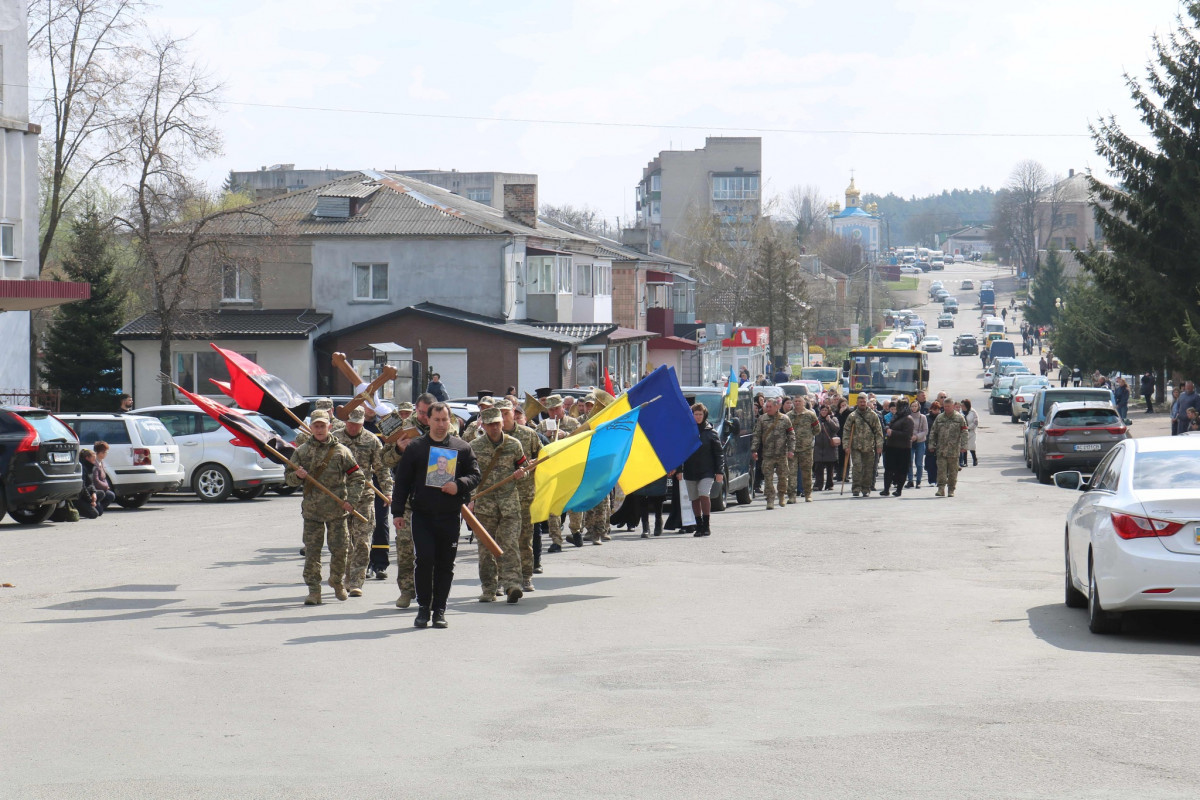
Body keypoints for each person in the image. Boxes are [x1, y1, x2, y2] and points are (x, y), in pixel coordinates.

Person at [391, 402, 480, 628]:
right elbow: (402, 482)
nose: (441, 425)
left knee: (445, 564)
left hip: (449, 515)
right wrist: (398, 512)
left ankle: (439, 609)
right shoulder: (416, 448)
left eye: (445, 420)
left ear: (451, 421)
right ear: (427, 420)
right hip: (422, 515)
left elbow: (475, 475)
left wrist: (458, 485)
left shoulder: (461, 447)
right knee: (424, 560)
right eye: (436, 420)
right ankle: (423, 608)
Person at [285, 410, 365, 606]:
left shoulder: (341, 451)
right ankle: (314, 590)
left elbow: (357, 477)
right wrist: (298, 476)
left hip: (338, 511)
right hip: (313, 512)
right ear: (311, 428)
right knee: (313, 552)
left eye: (323, 425)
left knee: (341, 550)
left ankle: (337, 581)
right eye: (316, 426)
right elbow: (288, 479)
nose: (319, 429)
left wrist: (352, 501)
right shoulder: (302, 451)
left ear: (330, 427)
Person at [468, 407, 529, 604]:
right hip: (485, 506)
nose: (494, 427)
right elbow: (468, 476)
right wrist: (470, 500)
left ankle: (512, 585)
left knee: (510, 545)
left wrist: (521, 473)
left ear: (502, 423)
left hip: (509, 503)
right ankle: (489, 588)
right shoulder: (474, 447)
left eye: (497, 423)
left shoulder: (514, 445)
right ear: (483, 426)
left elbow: (524, 467)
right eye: (490, 424)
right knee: (486, 549)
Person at [334, 407, 392, 597]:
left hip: (364, 496)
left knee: (362, 540)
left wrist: (388, 491)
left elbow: (382, 469)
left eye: (356, 424)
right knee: (343, 541)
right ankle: (344, 577)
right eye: (350, 423)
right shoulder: (334, 439)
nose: (352, 427)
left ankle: (356, 581)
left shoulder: (371, 440)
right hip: (340, 497)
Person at [497, 399, 541, 591]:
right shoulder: (490, 436)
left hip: (524, 495)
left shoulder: (528, 434)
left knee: (524, 539)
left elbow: (542, 456)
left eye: (506, 413)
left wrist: (535, 463)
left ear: (514, 412)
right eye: (499, 413)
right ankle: (502, 579)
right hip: (499, 498)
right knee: (501, 540)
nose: (503, 417)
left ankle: (526, 576)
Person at [536, 395, 581, 551]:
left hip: (570, 468)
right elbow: (536, 446)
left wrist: (566, 436)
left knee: (574, 504)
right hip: (552, 470)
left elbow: (581, 442)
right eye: (551, 409)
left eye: (557, 408)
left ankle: (576, 531)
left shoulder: (573, 422)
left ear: (563, 407)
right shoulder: (542, 425)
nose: (554, 412)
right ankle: (556, 541)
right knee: (553, 507)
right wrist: (546, 436)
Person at [678, 402, 724, 537]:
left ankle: (706, 524)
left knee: (704, 494)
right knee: (694, 498)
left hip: (707, 471)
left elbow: (719, 453)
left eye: (700, 414)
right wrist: (679, 470)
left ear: (704, 415)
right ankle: (698, 525)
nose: (698, 417)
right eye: (695, 414)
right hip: (690, 470)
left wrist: (719, 471)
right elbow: (681, 452)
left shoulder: (711, 432)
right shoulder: (686, 432)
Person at [751, 396, 795, 510]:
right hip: (768, 454)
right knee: (768, 478)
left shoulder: (785, 419)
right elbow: (757, 435)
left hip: (781, 454)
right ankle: (770, 499)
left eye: (770, 406)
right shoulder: (762, 419)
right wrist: (754, 450)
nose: (768, 408)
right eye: (767, 406)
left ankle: (781, 495)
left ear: (777, 407)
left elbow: (791, 435)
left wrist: (791, 450)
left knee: (783, 477)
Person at [843, 395, 884, 498]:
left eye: (864, 401)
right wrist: (846, 445)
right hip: (856, 446)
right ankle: (856, 488)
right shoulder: (852, 416)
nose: (862, 403)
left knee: (868, 469)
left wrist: (879, 445)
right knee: (857, 467)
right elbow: (847, 431)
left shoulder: (873, 415)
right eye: (860, 401)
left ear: (866, 402)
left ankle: (866, 488)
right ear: (857, 402)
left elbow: (878, 431)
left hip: (869, 446)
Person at [928, 398, 968, 498]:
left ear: (953, 406)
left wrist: (964, 446)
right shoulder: (939, 418)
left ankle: (951, 489)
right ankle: (941, 489)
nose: (946, 408)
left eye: (948, 406)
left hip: (953, 450)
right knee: (941, 470)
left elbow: (964, 432)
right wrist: (931, 444)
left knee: (953, 471)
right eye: (945, 406)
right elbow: (933, 432)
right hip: (941, 449)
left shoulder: (959, 418)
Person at [881, 398, 915, 497]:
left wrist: (893, 432)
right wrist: (887, 428)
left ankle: (899, 490)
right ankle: (886, 489)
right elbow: (890, 425)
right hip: (892, 446)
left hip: (903, 448)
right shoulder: (896, 416)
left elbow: (908, 435)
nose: (897, 409)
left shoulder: (908, 419)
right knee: (889, 469)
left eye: (899, 407)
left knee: (901, 470)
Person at [789, 396, 819, 503]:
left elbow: (817, 429)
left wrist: (808, 438)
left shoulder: (810, 415)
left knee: (807, 472)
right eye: (795, 401)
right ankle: (792, 496)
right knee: (792, 473)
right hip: (792, 449)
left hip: (806, 449)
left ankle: (808, 494)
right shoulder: (788, 416)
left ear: (804, 403)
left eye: (799, 401)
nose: (797, 403)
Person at [812, 405, 841, 491]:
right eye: (822, 410)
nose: (824, 412)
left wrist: (829, 421)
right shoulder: (817, 419)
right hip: (819, 447)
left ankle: (829, 484)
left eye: (825, 410)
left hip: (830, 447)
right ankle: (818, 484)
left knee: (830, 468)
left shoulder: (833, 419)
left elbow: (836, 429)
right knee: (818, 468)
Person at [76, 448, 103, 519]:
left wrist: (94, 493)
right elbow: (82, 487)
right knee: (94, 514)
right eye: (93, 458)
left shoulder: (90, 466)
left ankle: (92, 506)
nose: (95, 460)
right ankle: (79, 509)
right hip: (80, 496)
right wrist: (90, 500)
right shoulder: (82, 468)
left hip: (88, 493)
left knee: (102, 494)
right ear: (87, 458)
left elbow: (91, 483)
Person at [907, 402, 928, 488]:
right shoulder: (908, 417)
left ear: (918, 407)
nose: (914, 408)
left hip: (920, 442)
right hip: (910, 442)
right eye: (912, 406)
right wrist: (910, 437)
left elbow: (925, 430)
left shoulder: (923, 417)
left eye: (915, 406)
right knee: (909, 462)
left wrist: (917, 436)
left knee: (919, 463)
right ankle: (910, 480)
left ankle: (918, 481)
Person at [91, 442, 117, 513]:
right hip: (95, 489)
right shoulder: (94, 464)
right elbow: (95, 480)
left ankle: (98, 508)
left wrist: (106, 486)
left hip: (101, 488)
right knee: (105, 495)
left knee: (111, 495)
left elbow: (104, 477)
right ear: (100, 453)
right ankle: (94, 508)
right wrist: (106, 487)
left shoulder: (101, 462)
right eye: (105, 452)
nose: (106, 454)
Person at [960, 398, 979, 467]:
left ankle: (975, 459)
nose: (962, 407)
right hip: (963, 432)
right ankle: (965, 462)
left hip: (971, 432)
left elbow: (976, 422)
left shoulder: (973, 412)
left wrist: (968, 427)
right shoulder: (960, 412)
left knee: (971, 446)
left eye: (963, 406)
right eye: (961, 406)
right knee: (964, 447)